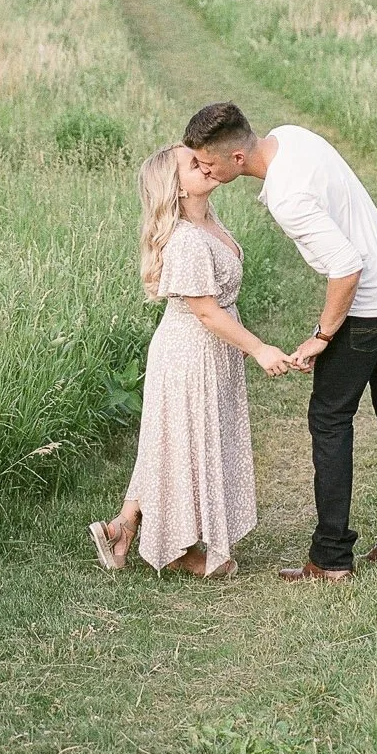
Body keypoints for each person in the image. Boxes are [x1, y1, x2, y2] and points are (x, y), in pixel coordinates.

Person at [183, 102, 377, 583]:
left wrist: (323, 336)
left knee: (330, 419)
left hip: (370, 303)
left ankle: (332, 557)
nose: (201, 170)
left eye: (207, 163)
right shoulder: (291, 136)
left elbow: (346, 267)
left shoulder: (288, 197)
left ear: (235, 159)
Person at [89, 144, 298, 579]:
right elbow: (205, 311)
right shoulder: (184, 238)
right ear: (176, 187)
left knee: (170, 441)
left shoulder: (208, 221)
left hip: (207, 348)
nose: (205, 164)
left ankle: (123, 527)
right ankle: (179, 548)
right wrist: (258, 348)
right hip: (190, 352)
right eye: (193, 163)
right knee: (183, 445)